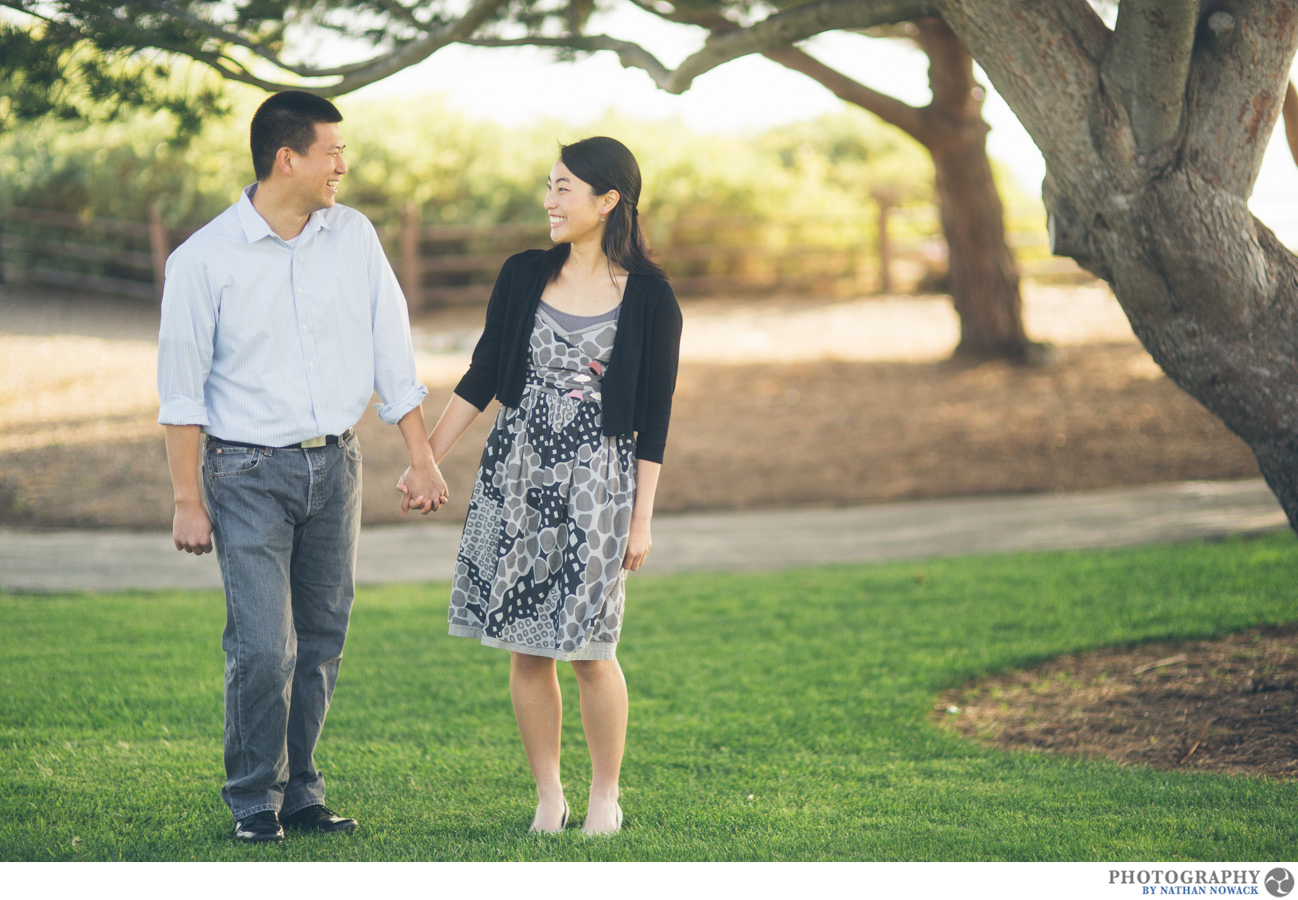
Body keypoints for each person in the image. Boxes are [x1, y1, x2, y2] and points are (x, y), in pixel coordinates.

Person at [157, 90, 448, 844]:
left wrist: (420, 454)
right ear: (287, 158)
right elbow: (181, 390)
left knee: (321, 639)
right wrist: (187, 498)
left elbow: (392, 345)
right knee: (262, 646)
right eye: (332, 152)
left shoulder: (352, 236)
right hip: (245, 472)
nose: (342, 166)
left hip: (337, 468)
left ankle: (301, 794)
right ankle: (254, 797)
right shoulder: (203, 260)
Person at [403, 136, 681, 835]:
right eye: (549, 186)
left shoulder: (651, 297)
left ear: (607, 199)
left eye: (563, 188)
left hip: (600, 484)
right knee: (528, 645)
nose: (550, 200)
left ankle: (603, 797)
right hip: (518, 475)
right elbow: (485, 373)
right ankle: (549, 796)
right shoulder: (524, 273)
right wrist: (426, 458)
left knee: (592, 648)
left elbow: (654, 417)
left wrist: (642, 520)